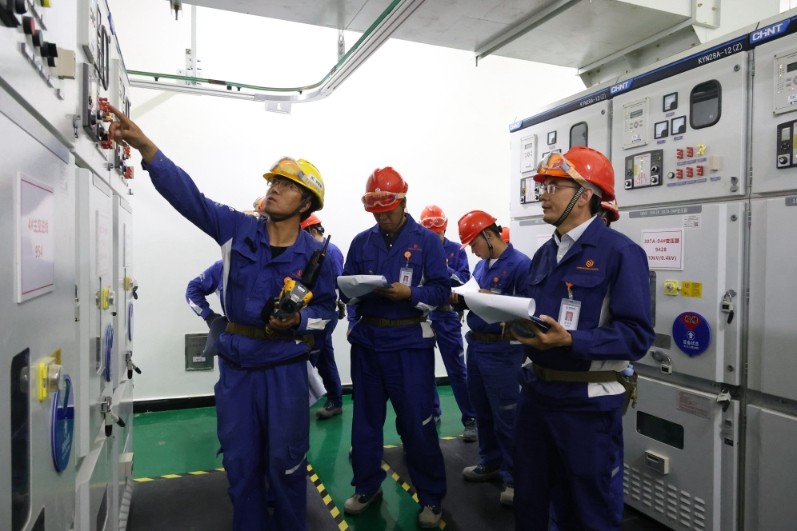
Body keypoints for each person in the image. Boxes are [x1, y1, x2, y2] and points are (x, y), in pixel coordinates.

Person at [107, 106, 338, 531]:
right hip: (237, 370)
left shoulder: (318, 257)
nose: (273, 190)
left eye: (287, 186)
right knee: (241, 464)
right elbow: (190, 198)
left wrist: (300, 323)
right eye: (273, 182)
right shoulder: (237, 229)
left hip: (285, 371)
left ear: (305, 202)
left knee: (287, 466)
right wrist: (147, 148)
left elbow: (327, 314)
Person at [510, 146, 655, 531]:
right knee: (530, 501)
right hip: (537, 397)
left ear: (585, 194)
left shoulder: (621, 253)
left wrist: (572, 341)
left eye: (554, 186)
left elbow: (637, 335)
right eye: (543, 187)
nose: (543, 195)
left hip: (585, 409)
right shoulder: (545, 253)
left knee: (589, 511)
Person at [340, 167, 449, 528]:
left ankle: (430, 497)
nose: (382, 218)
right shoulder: (361, 242)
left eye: (387, 211)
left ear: (403, 202)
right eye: (376, 213)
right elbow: (345, 286)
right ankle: (366, 486)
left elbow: (440, 291)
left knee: (417, 424)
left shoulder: (427, 242)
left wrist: (410, 293)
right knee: (365, 422)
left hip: (408, 345)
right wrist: (352, 294)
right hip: (368, 343)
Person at [455, 210, 531, 507]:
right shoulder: (482, 265)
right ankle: (490, 461)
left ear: (488, 235)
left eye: (473, 244)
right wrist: (462, 298)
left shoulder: (521, 265)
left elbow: (529, 309)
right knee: (483, 410)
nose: (473, 251)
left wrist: (492, 299)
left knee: (507, 417)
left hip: (503, 351)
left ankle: (515, 478)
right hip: (477, 346)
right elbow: (478, 296)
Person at [418, 204, 478, 442]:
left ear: (445, 228)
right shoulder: (417, 248)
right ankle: (433, 412)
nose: (434, 237)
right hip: (422, 315)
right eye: (430, 233)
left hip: (446, 315)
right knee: (423, 369)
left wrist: (444, 268)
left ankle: (470, 418)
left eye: (438, 233)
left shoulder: (456, 250)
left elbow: (464, 279)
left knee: (457, 370)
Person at [300, 213, 346, 419]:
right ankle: (335, 400)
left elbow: (336, 283)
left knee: (308, 359)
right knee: (325, 357)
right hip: (316, 311)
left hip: (323, 313)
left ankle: (297, 407)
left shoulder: (330, 252)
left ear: (312, 231)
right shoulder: (315, 251)